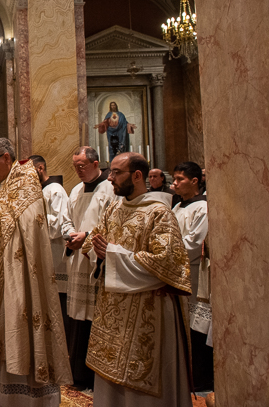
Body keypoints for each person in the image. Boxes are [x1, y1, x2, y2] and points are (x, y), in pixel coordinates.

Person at [0, 138, 71, 405]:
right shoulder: (0, 184)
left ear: (6, 157)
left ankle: (27, 396)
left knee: (17, 323)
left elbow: (28, 221)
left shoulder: (25, 180)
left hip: (19, 270)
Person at [82, 152, 192, 406]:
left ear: (137, 175)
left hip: (148, 307)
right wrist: (96, 252)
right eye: (110, 172)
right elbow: (97, 243)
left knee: (141, 375)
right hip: (113, 309)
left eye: (116, 173)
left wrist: (111, 253)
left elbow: (168, 262)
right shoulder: (114, 208)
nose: (110, 179)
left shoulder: (159, 213)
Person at [64, 146, 116, 390]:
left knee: (93, 316)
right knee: (76, 316)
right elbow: (67, 218)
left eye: (82, 166)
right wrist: (70, 234)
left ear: (96, 164)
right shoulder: (75, 189)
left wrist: (86, 236)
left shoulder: (110, 188)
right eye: (75, 166)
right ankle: (77, 372)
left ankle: (94, 374)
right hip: (78, 259)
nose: (78, 171)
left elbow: (112, 223)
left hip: (95, 259)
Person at [171, 161, 213, 391]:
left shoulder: (203, 208)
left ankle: (200, 379)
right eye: (175, 179)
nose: (174, 184)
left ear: (195, 181)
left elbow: (193, 244)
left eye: (180, 179)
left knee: (196, 327)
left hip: (194, 275)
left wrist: (165, 251)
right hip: (175, 273)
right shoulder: (177, 207)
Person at [28, 155, 73, 312]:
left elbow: (56, 226)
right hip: (43, 252)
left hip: (55, 254)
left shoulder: (55, 190)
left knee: (58, 303)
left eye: (30, 171)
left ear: (40, 168)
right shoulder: (40, 190)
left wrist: (30, 219)